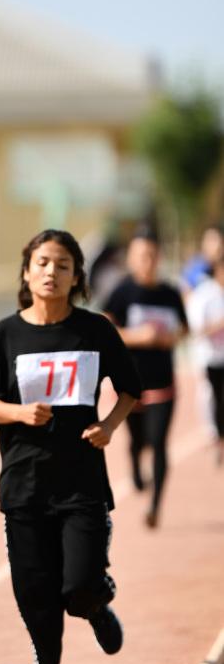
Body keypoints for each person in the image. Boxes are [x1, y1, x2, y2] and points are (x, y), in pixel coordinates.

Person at [0, 229, 140, 664]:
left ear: (77, 276)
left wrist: (107, 425)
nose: (51, 272)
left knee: (77, 585)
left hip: (81, 480)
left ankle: (95, 604)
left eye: (63, 264)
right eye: (42, 262)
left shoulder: (95, 330)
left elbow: (130, 389)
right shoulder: (6, 335)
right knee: (34, 592)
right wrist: (20, 414)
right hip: (23, 484)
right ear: (26, 271)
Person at [104, 230, 188, 528]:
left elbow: (184, 329)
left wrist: (171, 338)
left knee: (160, 442)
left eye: (152, 255)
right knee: (138, 440)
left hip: (163, 383)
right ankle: (136, 467)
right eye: (141, 255)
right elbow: (106, 330)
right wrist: (138, 336)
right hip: (130, 386)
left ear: (159, 258)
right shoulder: (122, 292)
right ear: (131, 258)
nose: (147, 261)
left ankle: (155, 506)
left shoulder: (170, 293)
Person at [186, 252, 224, 464]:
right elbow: (196, 329)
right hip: (209, 357)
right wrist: (218, 325)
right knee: (211, 395)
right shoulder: (205, 295)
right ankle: (213, 435)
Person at [180, 224, 224, 294]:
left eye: (213, 240)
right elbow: (186, 293)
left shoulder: (220, 272)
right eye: (207, 240)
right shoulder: (194, 268)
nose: (209, 246)